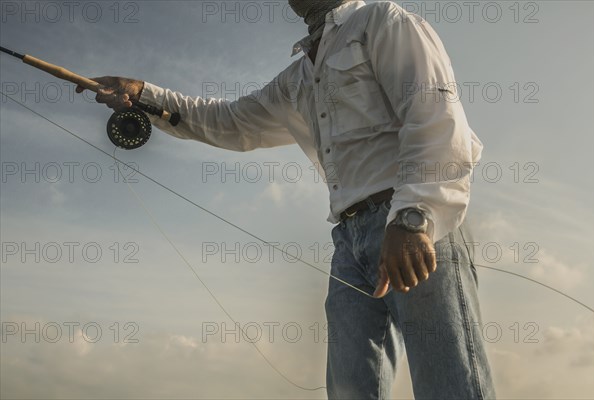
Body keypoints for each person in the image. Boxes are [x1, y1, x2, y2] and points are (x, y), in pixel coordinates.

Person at [78, 1, 496, 398]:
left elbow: (434, 112)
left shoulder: (383, 21)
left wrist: (413, 217)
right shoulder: (297, 79)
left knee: (451, 384)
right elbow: (230, 122)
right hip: (347, 244)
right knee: (350, 390)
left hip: (413, 226)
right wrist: (145, 94)